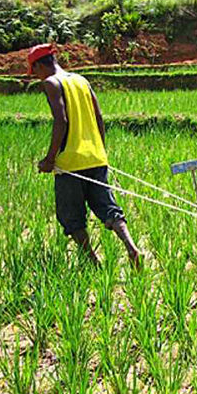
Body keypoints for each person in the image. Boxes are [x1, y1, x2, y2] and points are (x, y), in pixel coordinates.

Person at [29, 44, 142, 269]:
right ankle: (131, 247)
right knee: (107, 207)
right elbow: (99, 117)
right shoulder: (82, 80)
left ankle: (91, 261)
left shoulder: (51, 83)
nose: (37, 76)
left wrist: (49, 160)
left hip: (70, 163)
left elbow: (61, 121)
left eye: (35, 71)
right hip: (96, 158)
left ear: (41, 65)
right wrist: (99, 150)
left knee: (72, 216)